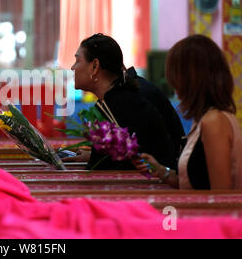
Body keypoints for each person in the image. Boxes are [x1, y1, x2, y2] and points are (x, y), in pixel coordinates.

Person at [134, 35, 242, 190]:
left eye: (176, 78)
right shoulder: (209, 118)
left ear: (191, 80)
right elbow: (197, 183)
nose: (174, 87)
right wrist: (161, 171)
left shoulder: (213, 122)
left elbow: (221, 197)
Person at [66, 33, 178, 170]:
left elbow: (140, 161)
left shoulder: (121, 103)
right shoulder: (119, 98)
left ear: (95, 66)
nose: (73, 67)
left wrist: (97, 159)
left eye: (78, 61)